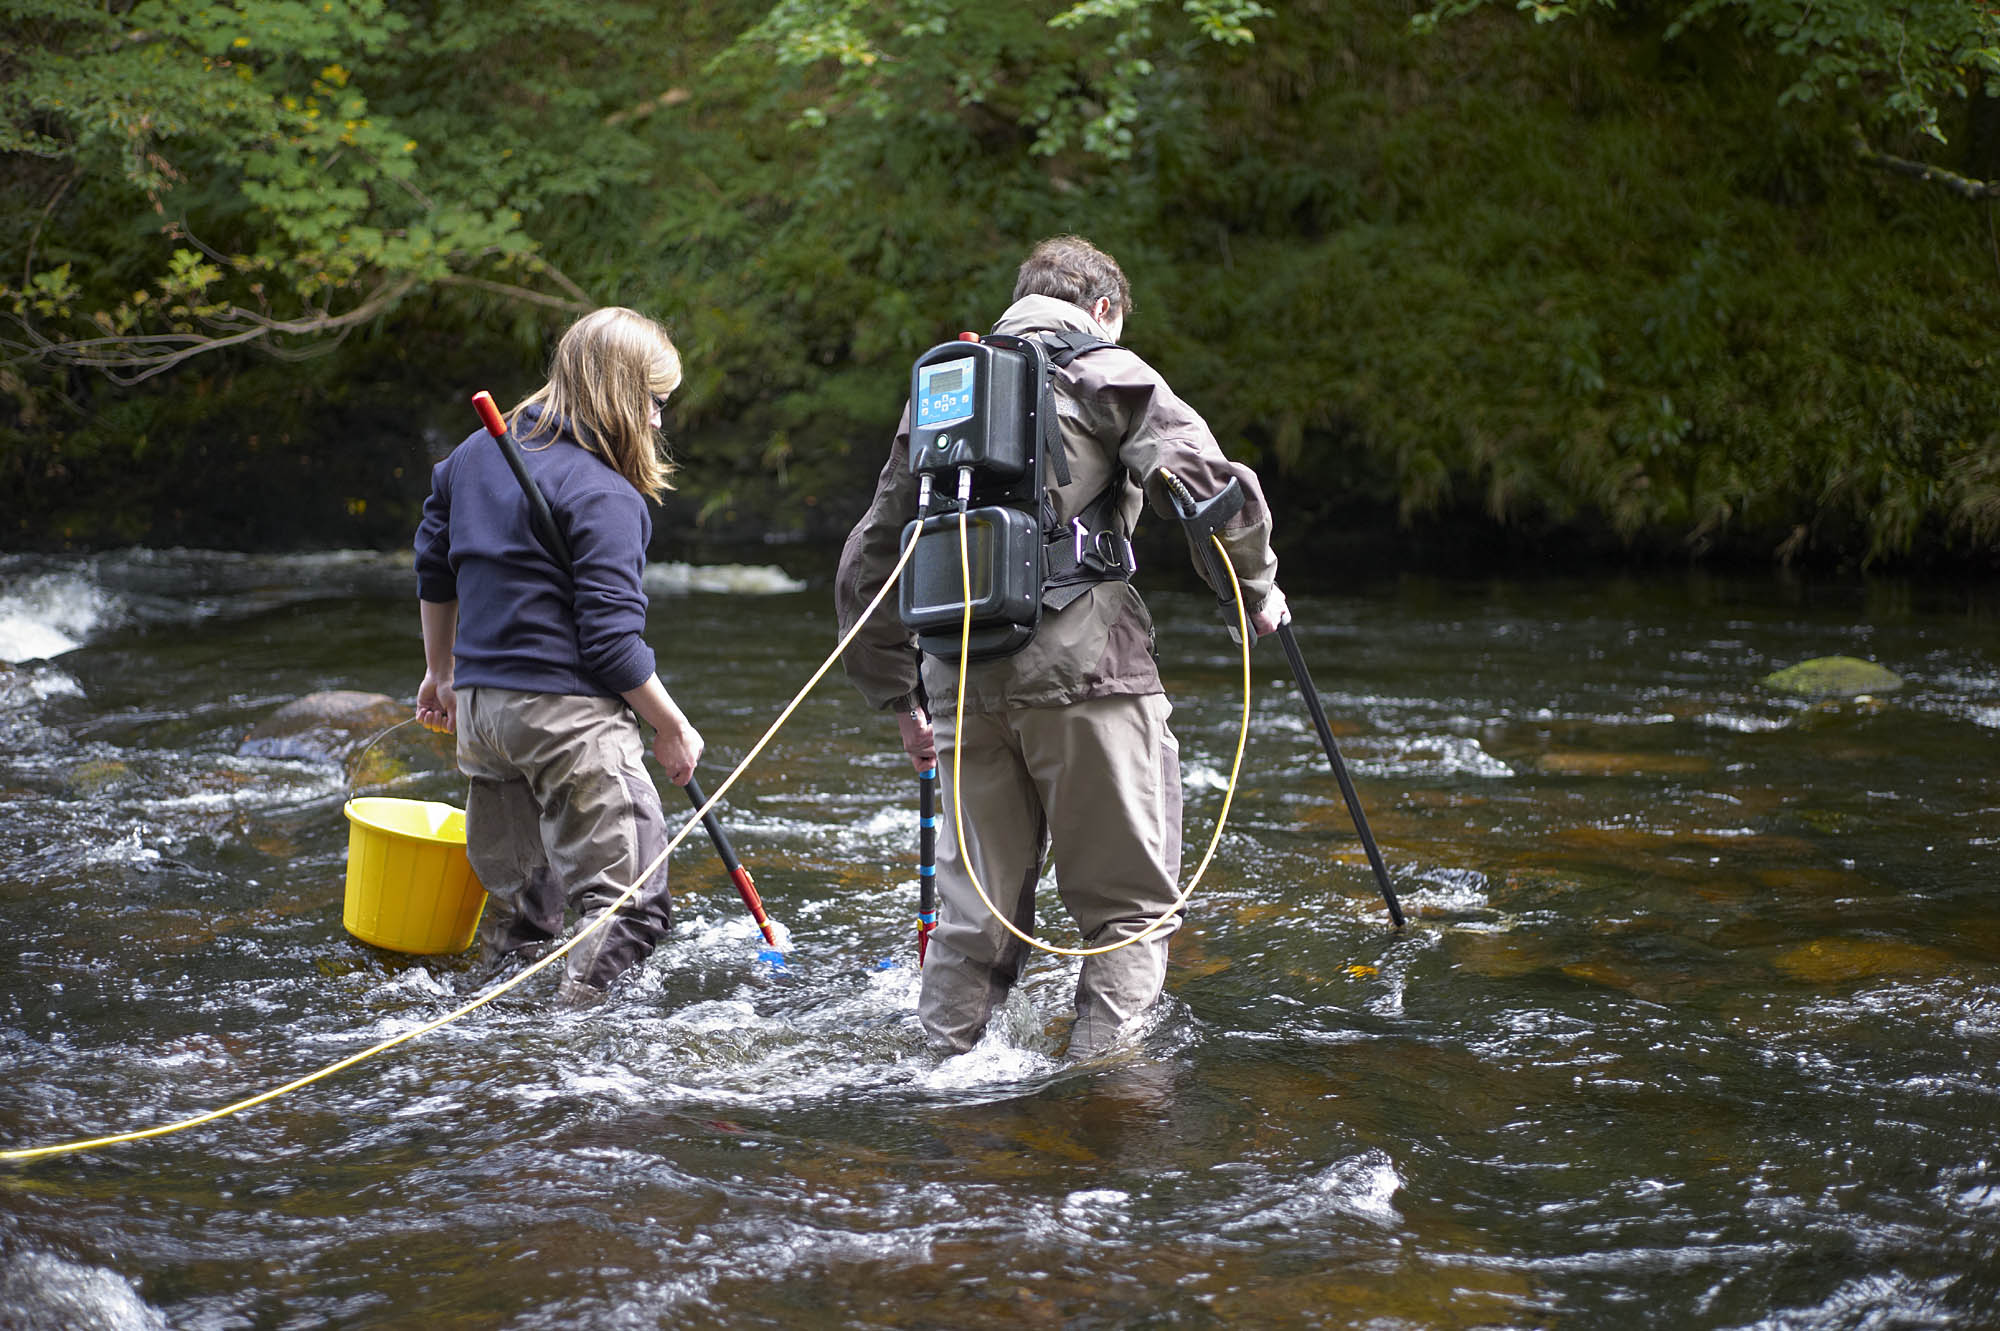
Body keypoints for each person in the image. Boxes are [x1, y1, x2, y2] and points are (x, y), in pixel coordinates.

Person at [835, 236, 1289, 1060]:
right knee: (1126, 911)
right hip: (1090, 675)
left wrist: (900, 697)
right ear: (1103, 308)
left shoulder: (941, 389)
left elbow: (873, 552)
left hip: (960, 682)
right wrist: (1255, 594)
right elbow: (1209, 489)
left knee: (973, 924)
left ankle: (942, 1097)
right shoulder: (1106, 370)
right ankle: (1103, 1107)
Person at [413, 306, 704, 1009]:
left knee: (525, 918)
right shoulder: (607, 494)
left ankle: (510, 1049)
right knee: (630, 905)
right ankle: (571, 1046)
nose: (660, 421)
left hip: (482, 717)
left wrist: (440, 671)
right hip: (565, 720)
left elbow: (433, 563)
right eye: (656, 402)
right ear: (620, 392)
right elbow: (610, 643)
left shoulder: (470, 458)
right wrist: (669, 725)